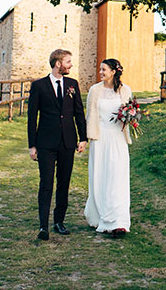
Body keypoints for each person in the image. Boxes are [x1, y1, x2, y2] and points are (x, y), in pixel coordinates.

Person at [28, 48, 87, 240]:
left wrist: (82, 138)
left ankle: (59, 222)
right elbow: (32, 118)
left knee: (64, 183)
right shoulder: (39, 86)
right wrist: (32, 145)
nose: (71, 65)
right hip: (45, 143)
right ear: (58, 63)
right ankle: (43, 226)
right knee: (46, 184)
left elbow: (79, 112)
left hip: (67, 142)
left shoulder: (72, 84)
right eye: (68, 62)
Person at [84, 58, 132, 236]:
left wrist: (130, 117)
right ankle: (100, 215)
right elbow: (90, 116)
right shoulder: (94, 90)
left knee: (117, 177)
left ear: (113, 71)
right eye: (100, 70)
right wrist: (87, 138)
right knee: (100, 176)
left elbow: (129, 112)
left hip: (118, 138)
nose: (101, 72)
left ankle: (118, 221)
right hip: (100, 138)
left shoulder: (125, 90)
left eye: (104, 69)